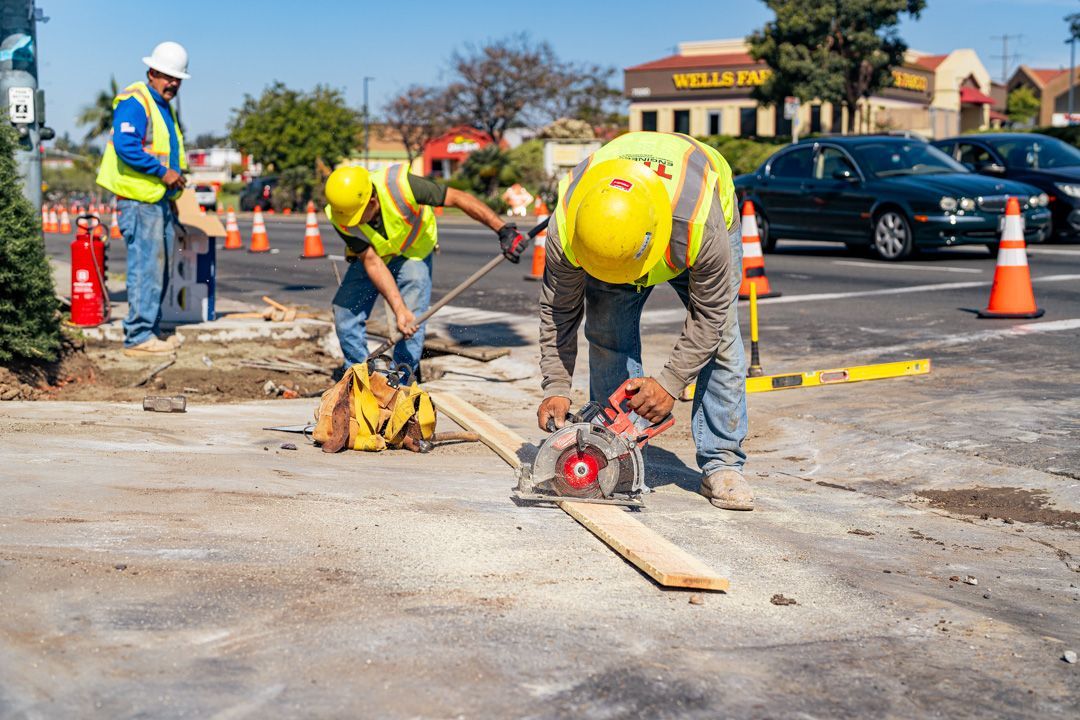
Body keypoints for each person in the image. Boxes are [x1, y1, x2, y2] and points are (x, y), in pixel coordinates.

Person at [536, 131, 752, 510]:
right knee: (606, 332)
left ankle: (722, 463)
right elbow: (559, 310)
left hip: (688, 229)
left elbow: (711, 315)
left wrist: (669, 384)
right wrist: (556, 384)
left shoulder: (699, 222)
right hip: (618, 235)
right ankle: (614, 454)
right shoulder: (573, 225)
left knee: (722, 341)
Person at [324, 165, 526, 375]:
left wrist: (502, 230)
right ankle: (358, 376)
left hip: (414, 251)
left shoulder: (401, 187)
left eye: (357, 216)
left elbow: (456, 197)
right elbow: (372, 262)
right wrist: (397, 308)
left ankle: (403, 382)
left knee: (411, 322)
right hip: (375, 256)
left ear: (372, 202)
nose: (352, 222)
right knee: (345, 312)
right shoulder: (339, 213)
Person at [96, 41, 190, 357]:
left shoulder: (162, 106)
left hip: (156, 199)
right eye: (168, 76)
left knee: (158, 267)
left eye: (177, 78)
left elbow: (167, 149)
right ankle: (138, 335)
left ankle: (151, 330)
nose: (173, 83)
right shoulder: (136, 101)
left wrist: (172, 190)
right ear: (152, 72)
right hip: (139, 200)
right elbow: (127, 146)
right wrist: (163, 173)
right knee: (146, 267)